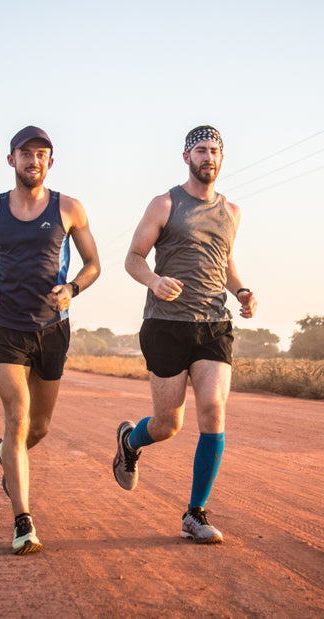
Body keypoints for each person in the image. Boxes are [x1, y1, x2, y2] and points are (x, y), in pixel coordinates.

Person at [0, 125, 100, 555]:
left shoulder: (70, 208)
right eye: (25, 153)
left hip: (53, 327)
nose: (33, 160)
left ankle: (6, 454)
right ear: (11, 160)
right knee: (18, 417)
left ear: (50, 163)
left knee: (40, 426)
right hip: (5, 327)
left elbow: (93, 263)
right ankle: (23, 522)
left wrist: (72, 289)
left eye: (41, 154)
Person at [113, 125, 257, 544]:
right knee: (167, 424)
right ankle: (129, 441)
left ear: (222, 158)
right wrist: (155, 281)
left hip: (213, 324)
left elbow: (224, 263)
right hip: (165, 326)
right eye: (200, 150)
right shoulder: (164, 203)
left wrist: (242, 290)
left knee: (212, 409)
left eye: (214, 150)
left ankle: (194, 514)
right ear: (186, 157)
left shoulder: (232, 211)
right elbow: (133, 258)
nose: (207, 157)